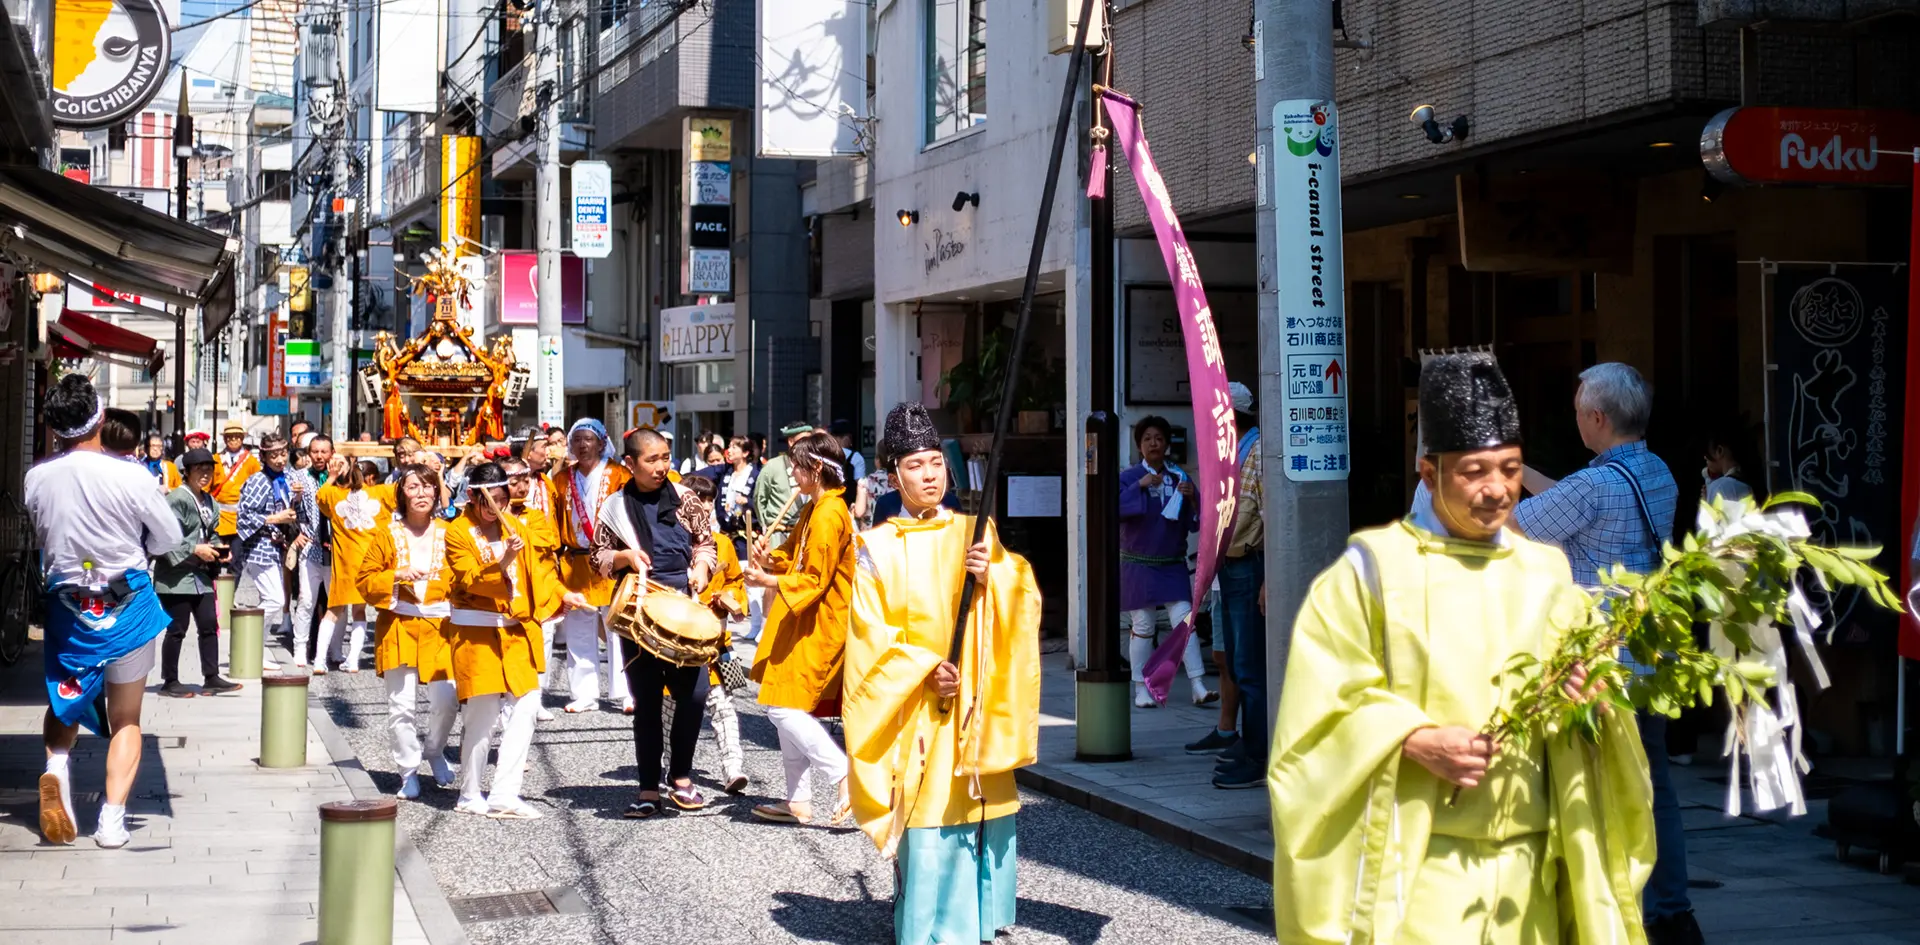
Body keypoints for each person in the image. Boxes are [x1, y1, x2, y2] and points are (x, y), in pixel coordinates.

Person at [1269, 352, 1653, 945]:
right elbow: (1317, 714)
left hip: (1530, 866)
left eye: (1509, 469)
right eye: (1474, 471)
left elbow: (1588, 710)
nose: (1496, 490)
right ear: (1429, 474)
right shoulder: (1370, 573)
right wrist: (1410, 738)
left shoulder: (1548, 572)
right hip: (1421, 867)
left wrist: (1589, 699)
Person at [843, 402, 1043, 944]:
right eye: (915, 465)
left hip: (974, 697)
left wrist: (995, 573)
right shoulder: (872, 546)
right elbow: (869, 634)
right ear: (892, 476)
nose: (929, 474)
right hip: (916, 705)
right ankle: (929, 928)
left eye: (936, 462)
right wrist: (927, 670)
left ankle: (980, 921)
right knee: (927, 810)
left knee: (979, 802)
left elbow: (1020, 598)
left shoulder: (974, 532)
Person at [1509, 362, 1694, 945]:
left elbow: (1516, 523)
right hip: (1648, 656)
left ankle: (1609, 914)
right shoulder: (1655, 472)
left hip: (1596, 664)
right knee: (1655, 787)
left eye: (1579, 412)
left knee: (1593, 792)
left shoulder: (1594, 487)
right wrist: (1519, 470)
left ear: (1596, 417)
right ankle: (1673, 909)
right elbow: (1569, 498)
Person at [26, 374, 185, 848]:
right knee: (127, 718)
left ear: (55, 428)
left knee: (66, 695)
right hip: (126, 601)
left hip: (69, 604)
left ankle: (57, 766)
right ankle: (112, 821)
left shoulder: (36, 477)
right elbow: (170, 537)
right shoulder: (131, 474)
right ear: (99, 419)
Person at [587, 428, 719, 817]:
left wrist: (701, 566)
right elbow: (597, 557)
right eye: (652, 460)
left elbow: (705, 541)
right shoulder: (614, 506)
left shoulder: (685, 498)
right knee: (646, 701)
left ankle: (680, 775)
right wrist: (626, 557)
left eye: (665, 457)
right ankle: (648, 788)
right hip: (640, 607)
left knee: (693, 696)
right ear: (630, 463)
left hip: (683, 602)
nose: (662, 466)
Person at [744, 429, 855, 825]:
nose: (792, 472)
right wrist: (768, 557)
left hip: (821, 620)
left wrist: (767, 581)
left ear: (816, 469)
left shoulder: (829, 513)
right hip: (803, 618)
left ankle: (842, 774)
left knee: (781, 706)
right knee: (784, 700)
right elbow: (790, 555)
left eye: (797, 465)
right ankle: (797, 801)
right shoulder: (814, 508)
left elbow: (814, 579)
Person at [445, 462, 546, 819]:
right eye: (490, 500)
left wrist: (560, 594)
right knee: (482, 715)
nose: (496, 507)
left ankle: (505, 792)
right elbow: (468, 578)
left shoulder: (514, 525)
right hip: (476, 630)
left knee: (527, 705)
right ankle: (470, 793)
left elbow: (538, 571)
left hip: (515, 628)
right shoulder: (457, 532)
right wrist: (504, 559)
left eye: (502, 499)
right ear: (472, 497)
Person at [357, 463, 459, 797]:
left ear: (437, 491)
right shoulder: (388, 534)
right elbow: (364, 580)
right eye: (413, 487)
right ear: (401, 493)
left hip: (441, 625)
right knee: (401, 706)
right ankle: (408, 769)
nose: (421, 493)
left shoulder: (450, 532)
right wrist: (396, 575)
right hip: (399, 623)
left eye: (428, 486)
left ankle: (433, 749)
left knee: (447, 701)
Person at [1193, 382, 1267, 790]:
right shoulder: (1233, 453)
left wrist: (1269, 579)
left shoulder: (1254, 453)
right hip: (1230, 564)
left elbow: (1269, 513)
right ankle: (1248, 742)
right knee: (1238, 661)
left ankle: (1258, 754)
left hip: (1248, 565)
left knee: (1251, 667)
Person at [1118, 415, 1215, 708]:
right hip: (1138, 564)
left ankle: (1198, 685)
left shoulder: (1180, 479)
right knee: (1144, 625)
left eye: (1159, 438)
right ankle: (1140, 689)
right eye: (1147, 438)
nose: (1153, 443)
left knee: (1185, 622)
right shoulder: (1129, 478)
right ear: (1139, 446)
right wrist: (1141, 487)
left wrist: (1194, 499)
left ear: (1167, 444)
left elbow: (1197, 522)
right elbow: (1113, 509)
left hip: (1171, 563)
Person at [552, 418, 635, 713]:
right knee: (578, 628)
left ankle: (627, 692)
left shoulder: (620, 474)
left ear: (602, 443)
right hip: (575, 560)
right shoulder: (562, 479)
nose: (583, 445)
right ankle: (584, 693)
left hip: (612, 559)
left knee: (618, 627)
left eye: (589, 439)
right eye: (577, 440)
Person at [153, 448, 241, 698]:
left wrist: (218, 549)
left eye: (209, 470)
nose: (205, 474)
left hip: (201, 575)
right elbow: (164, 537)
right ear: (186, 472)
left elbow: (212, 532)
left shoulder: (209, 500)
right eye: (199, 469)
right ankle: (170, 681)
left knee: (208, 624)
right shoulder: (177, 499)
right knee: (177, 628)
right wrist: (195, 548)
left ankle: (211, 677)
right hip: (175, 577)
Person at [682, 473, 750, 794]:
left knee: (724, 708)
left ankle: (732, 767)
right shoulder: (674, 542)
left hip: (718, 643)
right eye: (699, 503)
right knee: (673, 711)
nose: (706, 510)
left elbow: (735, 580)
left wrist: (733, 600)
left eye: (710, 503)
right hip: (679, 645)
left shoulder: (723, 543)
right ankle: (672, 768)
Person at [314, 459, 396, 673]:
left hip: (345, 563)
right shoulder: (382, 492)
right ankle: (352, 660)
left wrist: (331, 477)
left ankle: (319, 660)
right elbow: (404, 489)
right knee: (360, 612)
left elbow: (320, 496)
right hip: (371, 562)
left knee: (333, 611)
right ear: (371, 477)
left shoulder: (336, 495)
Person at [502, 455, 561, 724]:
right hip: (503, 594)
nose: (523, 487)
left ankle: (535, 699)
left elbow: (543, 544)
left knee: (542, 647)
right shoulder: (488, 518)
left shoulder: (535, 516)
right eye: (514, 481)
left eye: (526, 480)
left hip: (538, 591)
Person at [234, 433, 297, 673]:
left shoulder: (287, 478)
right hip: (258, 546)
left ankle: (254, 648)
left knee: (272, 598)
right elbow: (245, 516)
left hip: (274, 545)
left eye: (283, 453)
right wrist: (274, 518)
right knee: (275, 599)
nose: (280, 459)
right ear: (263, 457)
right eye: (274, 455)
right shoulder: (258, 481)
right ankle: (252, 644)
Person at [288, 434, 335, 668]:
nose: (318, 456)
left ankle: (333, 651)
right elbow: (288, 508)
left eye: (323, 451)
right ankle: (300, 648)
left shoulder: (341, 478)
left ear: (332, 453)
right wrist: (295, 530)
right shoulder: (298, 477)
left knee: (336, 604)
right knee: (307, 600)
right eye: (314, 451)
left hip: (337, 550)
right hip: (311, 546)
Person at [752, 422, 814, 547]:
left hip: (803, 534)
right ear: (791, 441)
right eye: (803, 440)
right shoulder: (772, 466)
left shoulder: (813, 467)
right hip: (777, 534)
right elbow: (759, 498)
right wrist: (766, 525)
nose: (808, 444)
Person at [209, 421, 257, 549]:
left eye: (237, 436)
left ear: (242, 438)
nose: (233, 440)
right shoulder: (215, 459)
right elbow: (206, 486)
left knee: (237, 559)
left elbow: (258, 487)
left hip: (241, 518)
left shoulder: (252, 461)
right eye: (229, 436)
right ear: (224, 439)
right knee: (216, 556)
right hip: (219, 518)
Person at [828, 419, 871, 521]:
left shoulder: (825, 455)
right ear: (846, 438)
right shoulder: (856, 457)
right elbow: (860, 483)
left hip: (828, 505)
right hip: (848, 507)